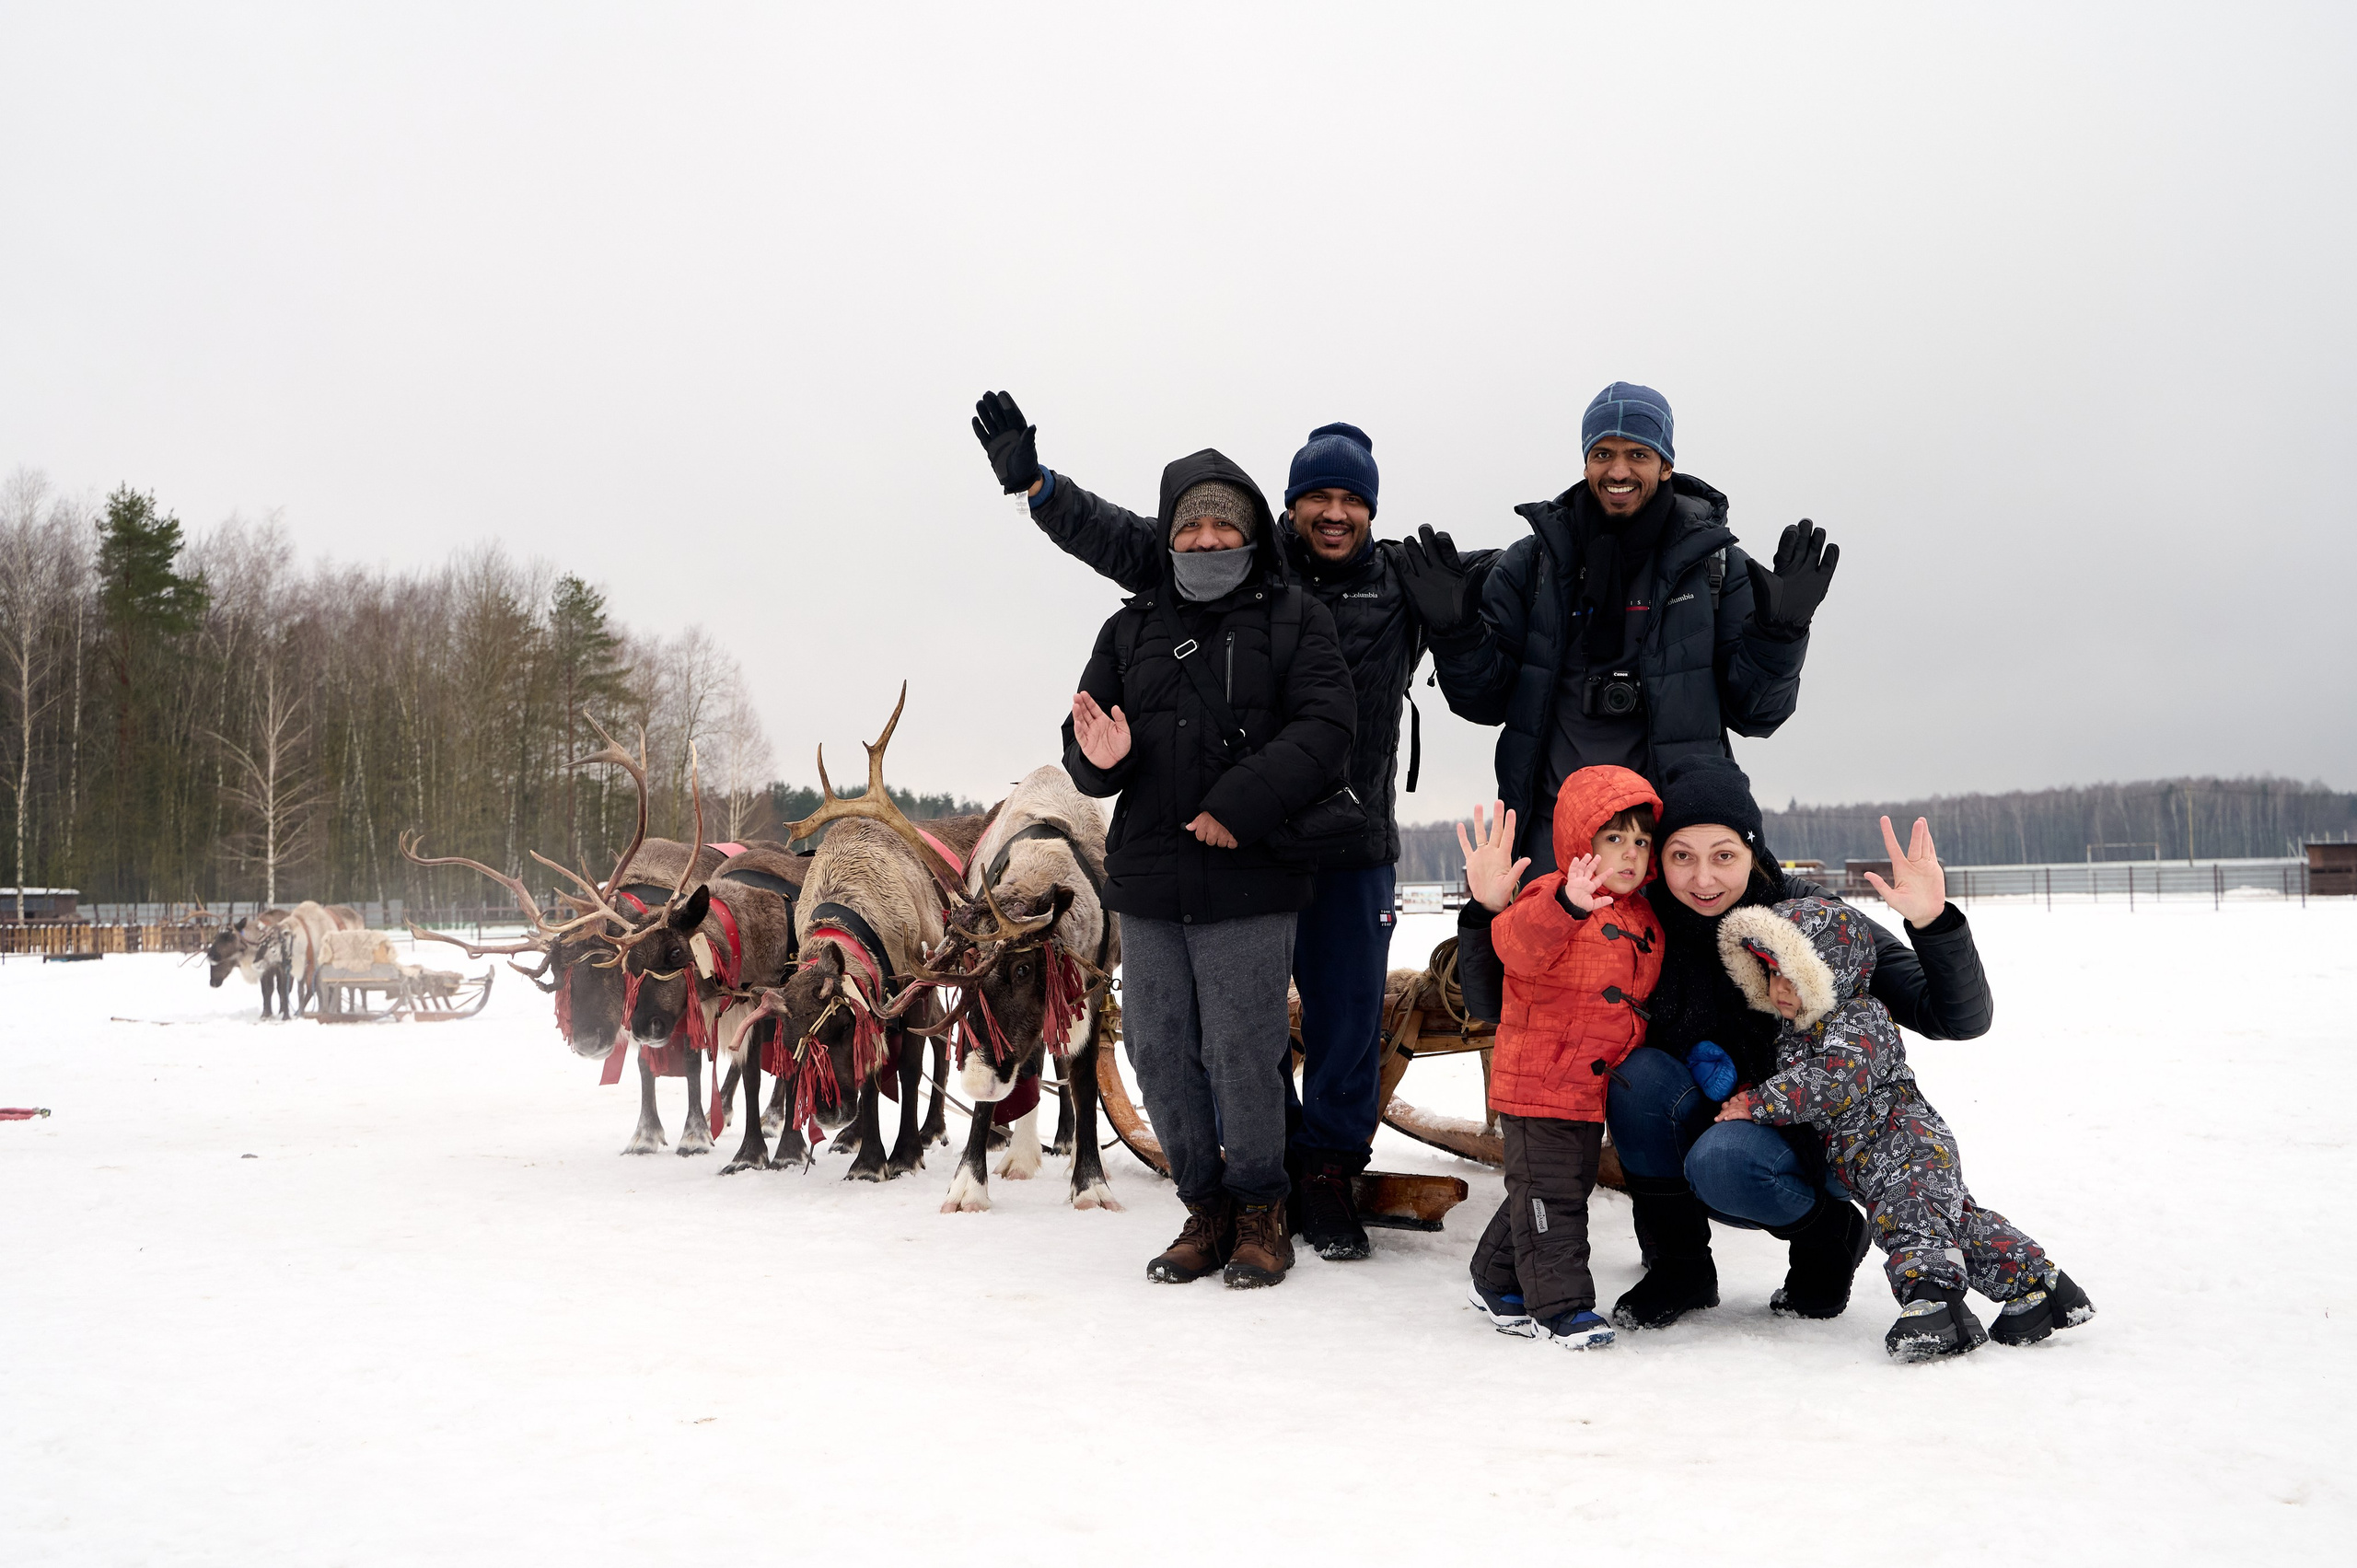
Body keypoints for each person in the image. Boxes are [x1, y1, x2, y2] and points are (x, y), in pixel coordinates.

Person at [976, 391, 1485, 1260]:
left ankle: (1328, 1172)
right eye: (1317, 498)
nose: (1333, 514)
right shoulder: (1247, 559)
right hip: (1246, 843)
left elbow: (1521, 586)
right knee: (1241, 1023)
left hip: (1350, 834)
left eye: (1351, 500)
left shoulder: (1405, 575)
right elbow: (1125, 537)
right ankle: (1268, 1165)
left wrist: (1461, 615)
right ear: (1287, 507)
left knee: (1346, 1018)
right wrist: (1040, 487)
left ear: (1371, 508)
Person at [1059, 448, 1354, 1289]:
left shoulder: (1296, 617)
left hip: (1249, 874)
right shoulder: (1127, 629)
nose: (1209, 537)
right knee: (1155, 1046)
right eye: (1192, 524)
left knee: (1241, 1047)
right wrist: (1100, 759)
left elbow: (1328, 726)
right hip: (1151, 879)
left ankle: (1261, 1209)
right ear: (1170, 535)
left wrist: (1240, 803)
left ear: (1252, 529)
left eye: (1225, 521)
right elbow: (1084, 746)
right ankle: (1205, 1206)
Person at [1421, 382, 1838, 876]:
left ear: (1666, 465)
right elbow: (1483, 703)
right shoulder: (1533, 564)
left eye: (1638, 454)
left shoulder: (1714, 567)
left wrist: (1781, 634)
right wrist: (1456, 635)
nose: (1618, 471)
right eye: (1603, 454)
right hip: (1553, 848)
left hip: (1673, 848)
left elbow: (1758, 714)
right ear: (1585, 464)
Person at [1719, 895, 2096, 1360]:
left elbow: (1836, 1078)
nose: (1780, 987)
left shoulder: (1859, 1016)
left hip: (1902, 1141)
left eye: (1795, 976)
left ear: (1830, 974)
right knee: (1954, 1222)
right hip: (1872, 1156)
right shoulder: (1797, 1029)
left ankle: (1937, 1308)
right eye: (1774, 973)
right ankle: (2042, 1289)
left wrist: (1760, 1102)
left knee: (1911, 1221)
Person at [1460, 766, 1663, 1351]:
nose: (1630, 854)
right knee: (1554, 1197)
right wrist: (1568, 905)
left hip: (1588, 1089)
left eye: (1640, 840)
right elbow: (1517, 946)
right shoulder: (1548, 895)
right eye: (1614, 838)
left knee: (1550, 1188)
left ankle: (1495, 1277)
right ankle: (1561, 1307)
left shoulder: (1640, 914)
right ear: (1579, 841)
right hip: (1541, 1083)